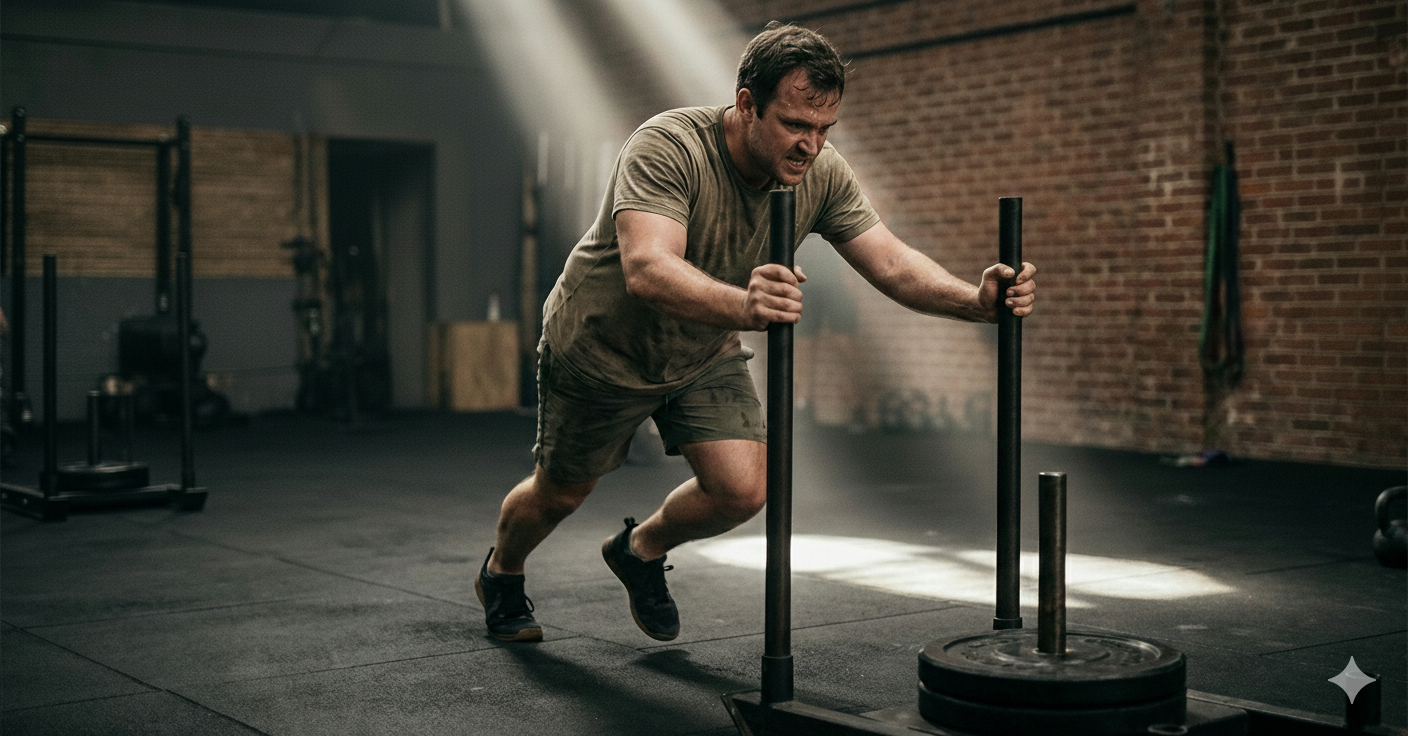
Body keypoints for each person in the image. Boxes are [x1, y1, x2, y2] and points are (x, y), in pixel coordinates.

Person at [476, 22, 1037, 643]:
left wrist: (974, 301)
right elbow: (648, 268)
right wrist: (745, 303)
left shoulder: (821, 172)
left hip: (702, 350)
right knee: (559, 494)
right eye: (795, 124)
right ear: (746, 104)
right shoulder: (669, 146)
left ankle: (639, 550)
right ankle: (503, 572)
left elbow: (892, 263)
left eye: (824, 128)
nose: (810, 145)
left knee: (741, 491)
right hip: (602, 347)